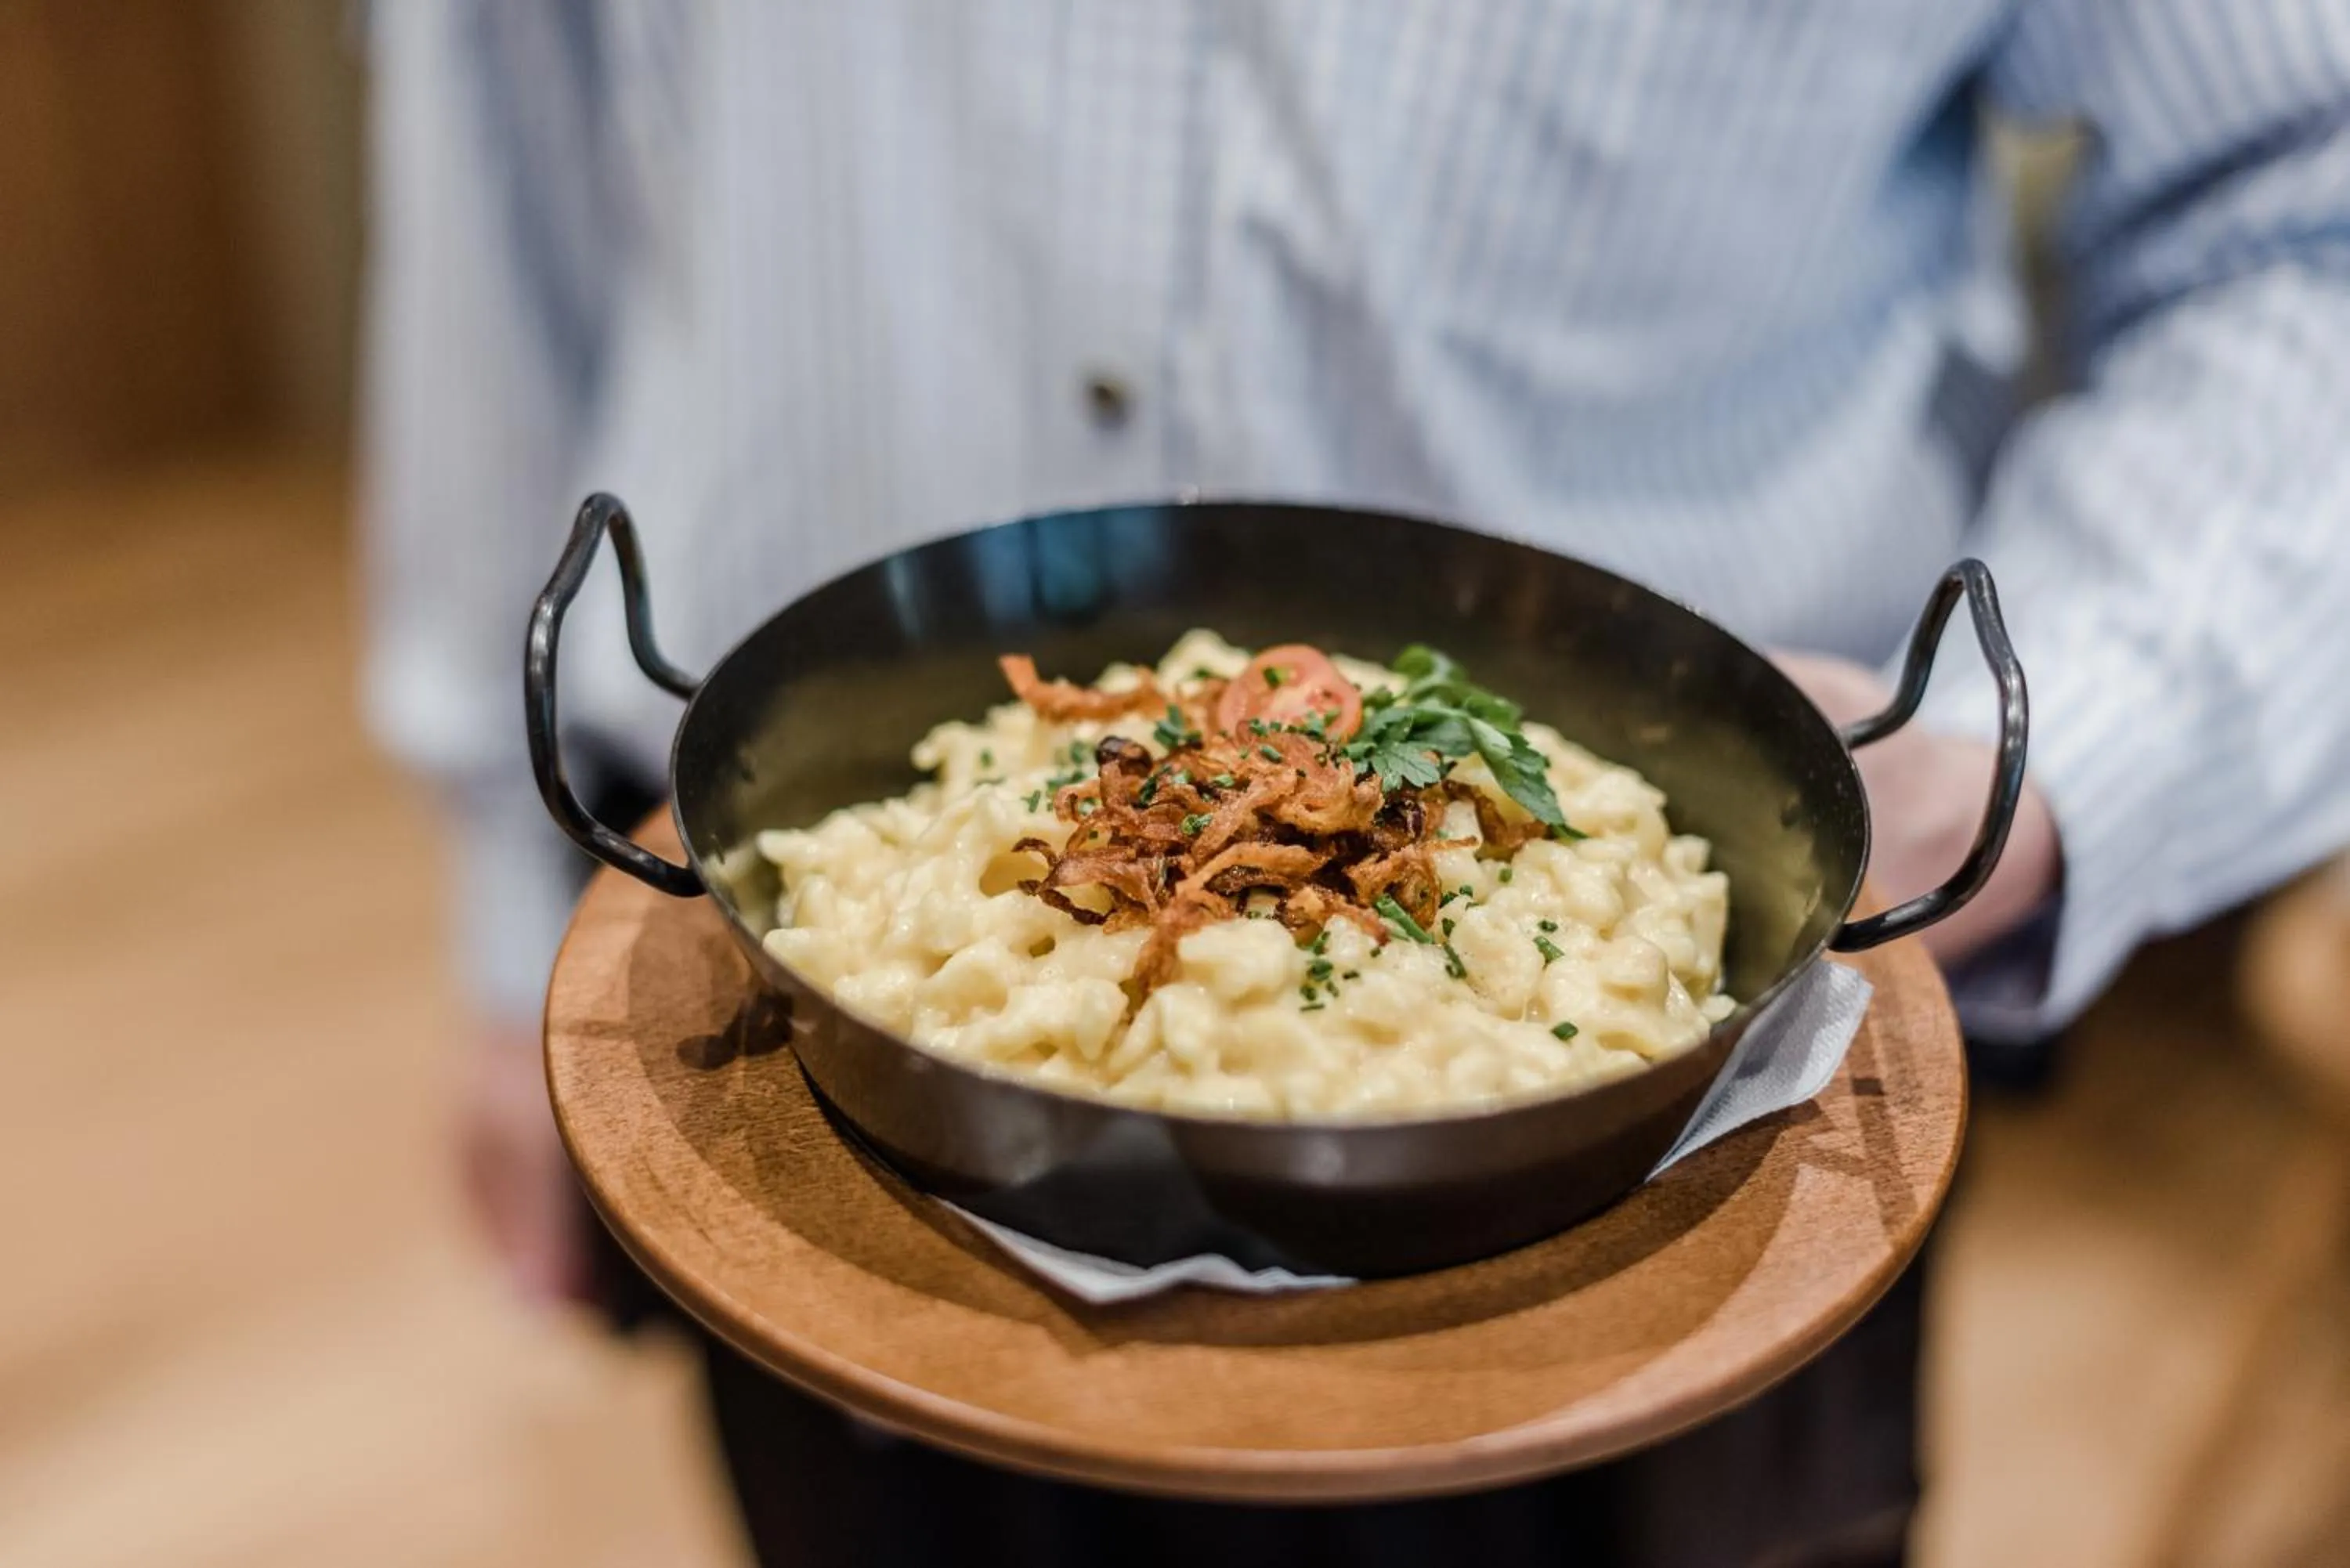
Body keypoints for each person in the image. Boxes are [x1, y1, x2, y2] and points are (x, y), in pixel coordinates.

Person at [362, 3, 2350, 1563]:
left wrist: (2054, 732)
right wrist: (491, 879)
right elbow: (495, 105)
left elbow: (2308, 216)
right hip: (840, 1075)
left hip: (1684, 1150)